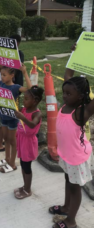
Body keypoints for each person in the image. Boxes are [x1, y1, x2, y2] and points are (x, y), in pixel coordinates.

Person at [49, 70, 94, 228]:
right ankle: (66, 208)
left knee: (75, 189)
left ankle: (71, 221)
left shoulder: (81, 112)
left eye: (69, 94)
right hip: (66, 155)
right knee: (67, 180)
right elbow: (68, 77)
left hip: (76, 158)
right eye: (64, 93)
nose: (65, 96)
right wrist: (75, 54)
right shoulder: (67, 105)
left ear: (81, 96)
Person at [0, 61, 32, 173]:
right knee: (6, 139)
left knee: (12, 141)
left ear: (12, 76)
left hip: (12, 118)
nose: (2, 77)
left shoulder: (16, 88)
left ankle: (12, 163)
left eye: (4, 75)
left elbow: (30, 89)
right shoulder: (2, 84)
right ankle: (7, 158)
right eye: (1, 75)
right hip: (3, 115)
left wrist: (25, 73)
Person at [14, 86, 44, 199]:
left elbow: (32, 124)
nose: (23, 101)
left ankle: (27, 190)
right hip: (21, 140)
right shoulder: (24, 109)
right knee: (22, 164)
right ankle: (25, 185)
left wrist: (23, 118)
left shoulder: (37, 114)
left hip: (28, 143)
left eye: (26, 99)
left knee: (27, 167)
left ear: (35, 100)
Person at [10, 34, 25, 108]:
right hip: (7, 82)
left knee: (15, 102)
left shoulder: (20, 54)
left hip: (17, 82)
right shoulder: (7, 53)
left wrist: (12, 75)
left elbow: (19, 66)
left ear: (17, 43)